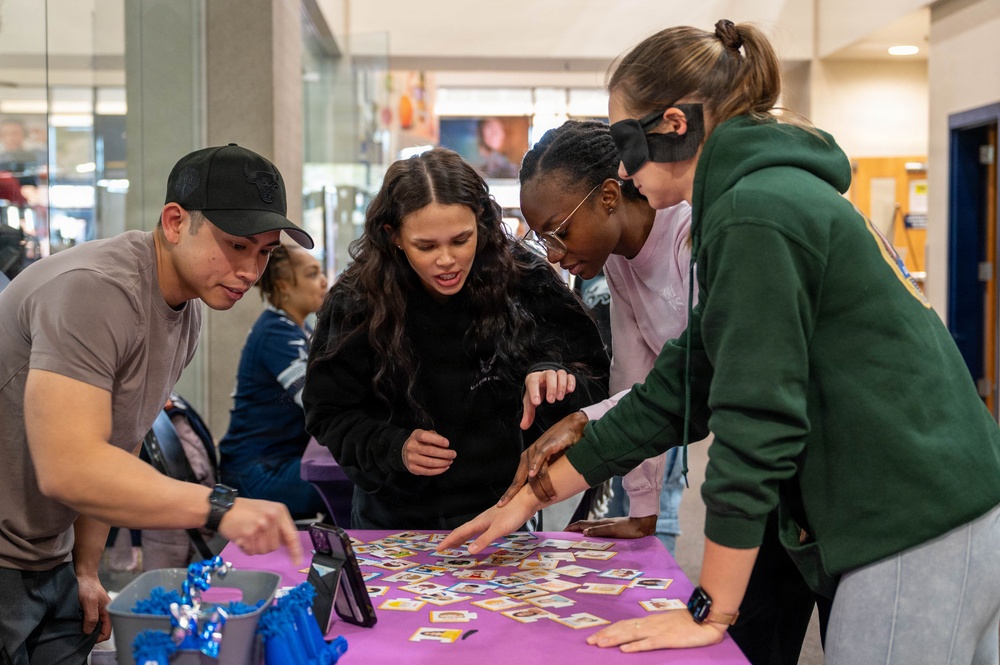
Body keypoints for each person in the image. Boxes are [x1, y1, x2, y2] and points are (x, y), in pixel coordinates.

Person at [440, 20, 1000, 665]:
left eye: (626, 140)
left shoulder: (753, 210)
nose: (620, 166)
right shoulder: (755, 198)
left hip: (912, 513)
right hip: (935, 504)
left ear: (675, 125)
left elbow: (753, 418)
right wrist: (532, 498)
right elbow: (686, 381)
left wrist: (713, 608)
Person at [0, 143, 308, 664]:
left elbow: (115, 444)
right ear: (174, 222)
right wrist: (219, 508)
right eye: (236, 245)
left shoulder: (187, 309)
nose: (250, 270)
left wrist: (86, 569)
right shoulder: (95, 290)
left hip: (49, 557)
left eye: (263, 252)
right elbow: (71, 467)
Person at [302, 147, 609, 531]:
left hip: (504, 511)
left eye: (461, 240)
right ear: (394, 236)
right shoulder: (358, 300)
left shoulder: (524, 279)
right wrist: (392, 447)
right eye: (426, 246)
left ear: (481, 221)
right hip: (392, 521)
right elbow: (328, 413)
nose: (446, 260)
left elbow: (596, 381)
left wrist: (555, 376)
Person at [516, 119, 694, 553]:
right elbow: (633, 376)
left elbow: (697, 376)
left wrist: (584, 420)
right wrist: (642, 507)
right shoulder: (616, 259)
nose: (553, 255)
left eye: (560, 232)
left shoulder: (689, 232)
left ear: (609, 197)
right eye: (543, 240)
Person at [219, 243, 329, 518]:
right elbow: (319, 401)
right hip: (255, 475)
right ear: (284, 287)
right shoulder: (276, 333)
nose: (324, 281)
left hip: (277, 463)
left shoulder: (298, 328)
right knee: (363, 481)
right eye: (312, 274)